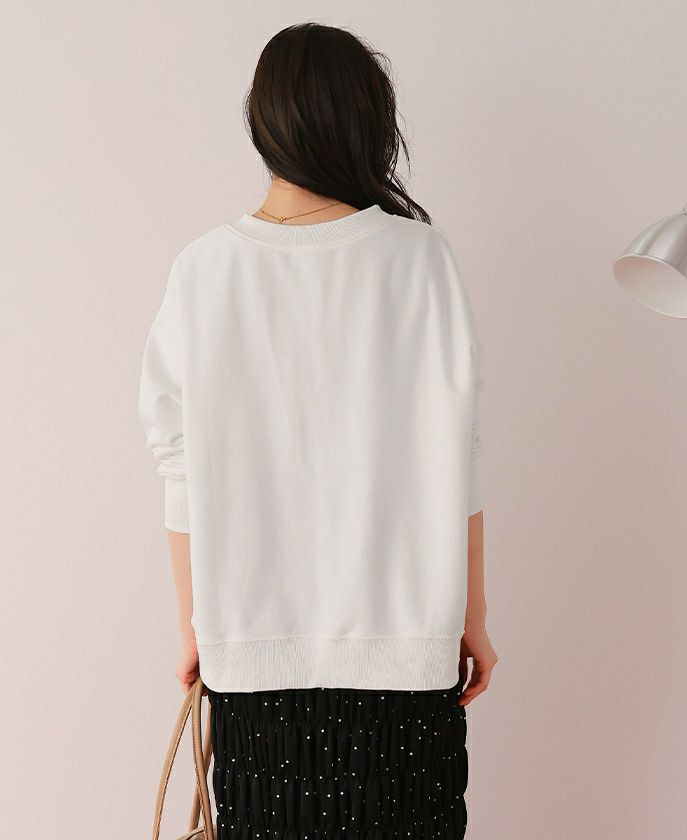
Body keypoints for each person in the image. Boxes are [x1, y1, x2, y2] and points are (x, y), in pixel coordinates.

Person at [138, 21, 498, 839]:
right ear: (370, 124)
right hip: (407, 653)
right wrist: (472, 616)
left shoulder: (204, 270)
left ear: (261, 122)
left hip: (252, 653)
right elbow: (460, 453)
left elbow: (179, 464)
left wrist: (197, 624)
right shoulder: (422, 260)